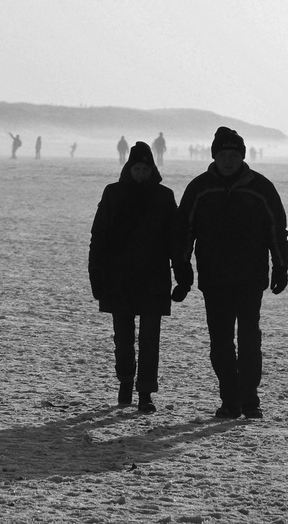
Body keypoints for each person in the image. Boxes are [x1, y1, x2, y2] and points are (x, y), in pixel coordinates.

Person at [173, 126, 288, 420]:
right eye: (223, 155)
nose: (228, 160)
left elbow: (276, 230)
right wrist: (183, 270)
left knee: (250, 338)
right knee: (221, 341)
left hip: (250, 277)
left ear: (242, 157)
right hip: (214, 278)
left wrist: (281, 266)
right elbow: (184, 232)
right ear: (214, 156)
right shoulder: (200, 188)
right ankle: (230, 399)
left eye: (233, 155)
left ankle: (249, 399)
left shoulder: (260, 188)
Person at [89, 140, 178, 414]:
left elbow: (176, 238)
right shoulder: (113, 193)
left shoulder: (164, 196)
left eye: (146, 168)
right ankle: (126, 382)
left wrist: (183, 272)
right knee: (124, 340)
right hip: (119, 278)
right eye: (137, 168)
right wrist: (96, 272)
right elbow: (99, 235)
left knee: (151, 340)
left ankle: (146, 392)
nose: (141, 173)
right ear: (129, 168)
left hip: (154, 278)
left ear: (153, 169)